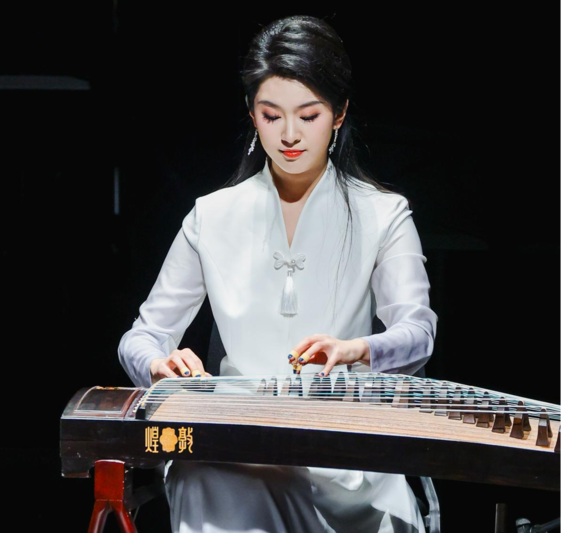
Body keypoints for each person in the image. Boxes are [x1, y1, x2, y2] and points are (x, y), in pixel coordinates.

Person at [118, 15, 438, 533]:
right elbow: (143, 335)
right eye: (271, 116)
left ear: (339, 114)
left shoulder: (383, 215)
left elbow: (418, 332)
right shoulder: (212, 216)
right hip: (236, 440)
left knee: (279, 480)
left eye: (308, 116)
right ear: (253, 115)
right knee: (207, 475)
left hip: (343, 447)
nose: (289, 135)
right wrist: (158, 363)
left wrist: (357, 349)